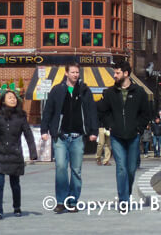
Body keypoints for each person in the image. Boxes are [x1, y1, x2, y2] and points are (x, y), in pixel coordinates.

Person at [40, 62, 98, 213]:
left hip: (78, 137)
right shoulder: (57, 90)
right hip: (61, 136)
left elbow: (92, 112)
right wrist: (44, 130)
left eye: (77, 72)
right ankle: (61, 201)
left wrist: (93, 131)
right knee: (60, 168)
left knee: (76, 170)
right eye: (72, 72)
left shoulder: (85, 91)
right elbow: (48, 111)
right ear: (66, 73)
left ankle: (72, 201)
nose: (75, 75)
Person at [97, 60, 150, 205]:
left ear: (126, 74)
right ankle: (123, 200)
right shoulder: (110, 92)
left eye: (117, 72)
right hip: (117, 136)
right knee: (121, 168)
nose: (114, 75)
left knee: (131, 169)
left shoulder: (139, 92)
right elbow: (102, 111)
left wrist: (139, 128)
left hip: (133, 136)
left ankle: (127, 192)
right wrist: (110, 125)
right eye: (114, 72)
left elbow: (146, 113)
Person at [0, 90, 38, 221]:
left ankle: (17, 207)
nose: (13, 99)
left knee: (15, 183)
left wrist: (33, 152)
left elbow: (28, 134)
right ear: (3, 101)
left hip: (15, 154)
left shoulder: (21, 116)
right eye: (10, 97)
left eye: (14, 97)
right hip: (0, 154)